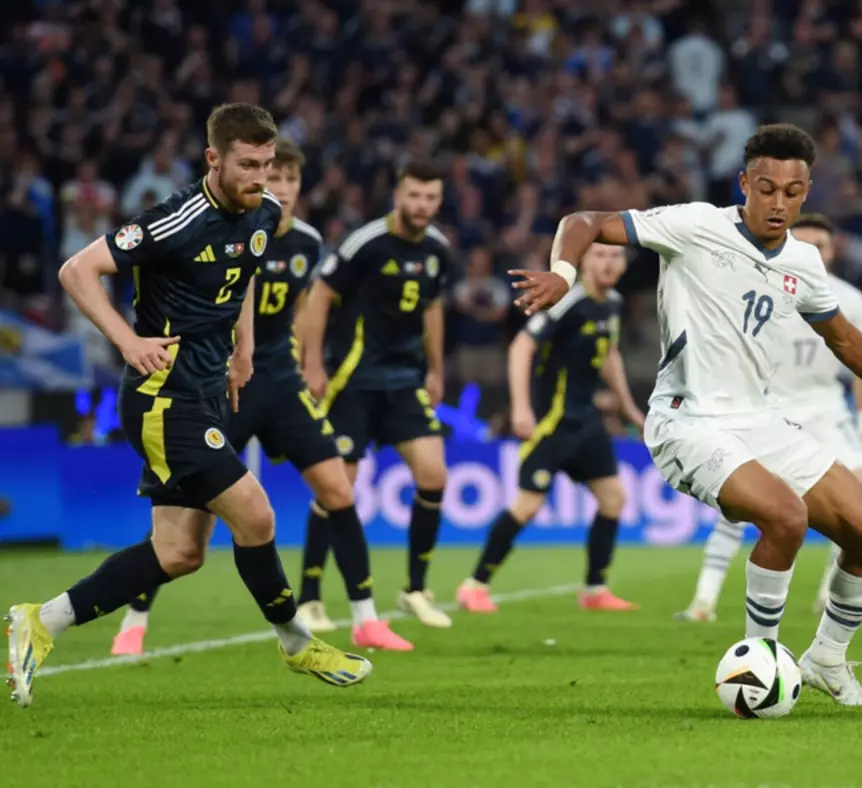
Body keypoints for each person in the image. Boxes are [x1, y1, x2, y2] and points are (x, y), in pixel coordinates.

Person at [511, 124, 862, 708]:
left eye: (792, 192)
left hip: (762, 420)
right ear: (744, 183)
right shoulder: (697, 225)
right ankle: (759, 666)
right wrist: (564, 274)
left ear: (806, 192)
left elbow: (842, 336)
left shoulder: (803, 260)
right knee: (786, 516)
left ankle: (826, 659)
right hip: (688, 420)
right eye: (766, 189)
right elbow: (585, 221)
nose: (778, 203)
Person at [6, 104, 371, 709]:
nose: (260, 178)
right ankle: (296, 641)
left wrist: (244, 350)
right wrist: (127, 342)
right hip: (161, 398)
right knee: (256, 515)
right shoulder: (175, 220)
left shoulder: (264, 211)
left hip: (207, 391)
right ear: (212, 159)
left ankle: (41, 620)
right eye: (247, 165)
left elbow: (244, 274)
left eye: (267, 164)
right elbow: (77, 271)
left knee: (179, 554)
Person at [109, 139, 413, 655]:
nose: (284, 188)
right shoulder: (234, 227)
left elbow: (304, 308)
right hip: (225, 383)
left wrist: (309, 362)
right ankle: (134, 619)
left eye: (292, 179)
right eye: (276, 178)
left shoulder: (308, 243)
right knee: (190, 513)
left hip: (281, 380)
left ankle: (366, 619)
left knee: (338, 490)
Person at [675, 213, 862, 622]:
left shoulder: (851, 299)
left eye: (821, 245)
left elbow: (861, 366)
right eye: (805, 243)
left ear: (832, 251)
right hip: (769, 405)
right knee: (737, 503)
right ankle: (703, 600)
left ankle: (829, 595)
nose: (813, 251)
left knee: (853, 499)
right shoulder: (755, 285)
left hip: (825, 407)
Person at [299, 160, 454, 629]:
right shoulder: (365, 242)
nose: (422, 205)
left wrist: (436, 368)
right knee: (336, 486)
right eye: (415, 196)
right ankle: (309, 598)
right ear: (398, 196)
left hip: (404, 380)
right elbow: (320, 296)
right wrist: (312, 363)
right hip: (355, 379)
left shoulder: (438, 249)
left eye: (431, 197)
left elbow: (432, 307)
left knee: (434, 476)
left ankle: (415, 590)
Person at [458, 243, 646, 612]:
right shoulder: (568, 301)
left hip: (587, 421)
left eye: (615, 256)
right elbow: (521, 347)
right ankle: (474, 586)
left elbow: (609, 356)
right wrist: (521, 408)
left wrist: (630, 411)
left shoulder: (612, 303)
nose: (609, 264)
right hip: (553, 422)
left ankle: (595, 590)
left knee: (613, 499)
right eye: (600, 256)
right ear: (583, 262)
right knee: (528, 505)